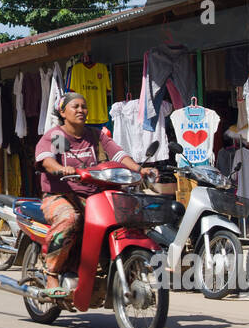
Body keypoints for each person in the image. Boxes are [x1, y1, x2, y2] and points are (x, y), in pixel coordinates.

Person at [34, 92, 159, 298]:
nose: (81, 110)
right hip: (61, 195)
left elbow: (118, 154)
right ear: (63, 112)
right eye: (75, 107)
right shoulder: (58, 136)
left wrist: (139, 169)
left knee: (124, 218)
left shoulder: (95, 135)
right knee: (70, 219)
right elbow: (47, 159)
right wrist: (59, 169)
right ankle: (51, 273)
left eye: (84, 106)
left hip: (92, 195)